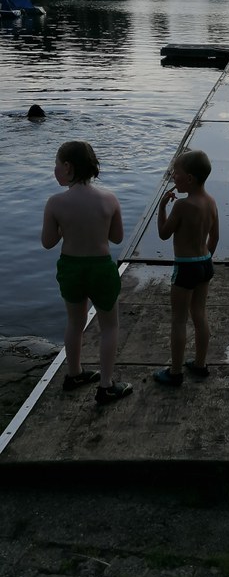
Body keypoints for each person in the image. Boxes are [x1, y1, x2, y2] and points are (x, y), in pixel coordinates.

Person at [41, 141, 133, 405]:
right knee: (109, 327)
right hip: (101, 269)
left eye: (56, 164)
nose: (55, 169)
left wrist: (65, 227)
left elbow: (48, 243)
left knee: (74, 323)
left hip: (71, 268)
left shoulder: (55, 203)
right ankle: (106, 386)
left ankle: (74, 374)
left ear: (68, 168)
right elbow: (116, 238)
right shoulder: (109, 199)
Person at [153, 150, 220, 387]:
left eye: (176, 174)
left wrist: (161, 208)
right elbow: (215, 237)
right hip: (204, 264)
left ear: (189, 178)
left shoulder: (181, 206)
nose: (173, 177)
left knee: (179, 320)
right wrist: (205, 259)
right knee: (199, 315)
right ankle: (200, 365)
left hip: (186, 267)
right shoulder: (211, 201)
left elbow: (163, 234)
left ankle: (175, 372)